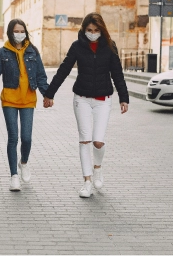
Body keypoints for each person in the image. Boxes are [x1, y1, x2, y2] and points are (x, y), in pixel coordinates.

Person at [43, 13, 129, 198]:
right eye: (89, 30)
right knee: (84, 140)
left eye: (96, 30)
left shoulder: (110, 46)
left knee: (98, 141)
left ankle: (97, 168)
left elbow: (117, 73)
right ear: (84, 30)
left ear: (102, 30)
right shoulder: (77, 46)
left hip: (103, 100)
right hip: (81, 98)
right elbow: (64, 69)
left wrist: (124, 98)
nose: (93, 33)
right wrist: (49, 94)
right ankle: (87, 181)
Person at [0, 18, 49, 192]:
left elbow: (41, 75)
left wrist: (47, 95)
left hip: (28, 100)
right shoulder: (2, 53)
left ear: (26, 32)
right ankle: (13, 176)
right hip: (9, 100)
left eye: (22, 31)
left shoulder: (33, 51)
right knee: (13, 137)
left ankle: (23, 162)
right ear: (10, 32)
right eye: (16, 31)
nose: (19, 34)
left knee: (26, 138)